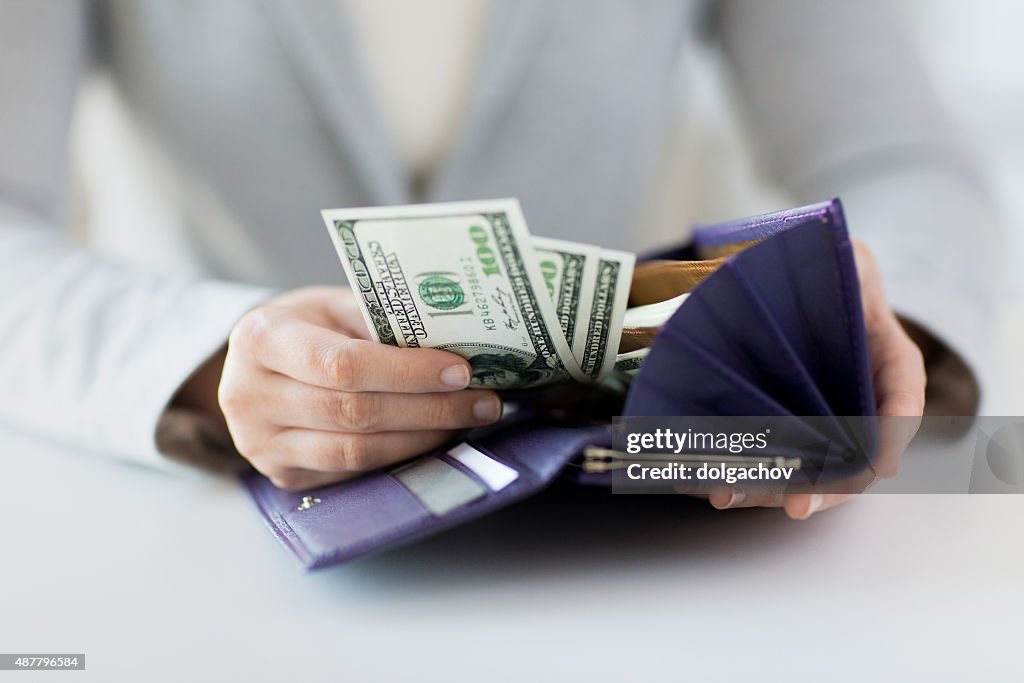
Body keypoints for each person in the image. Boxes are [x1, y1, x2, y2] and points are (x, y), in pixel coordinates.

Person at [0, 1, 997, 519]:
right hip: (197, 524)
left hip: (629, 528)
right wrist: (208, 359)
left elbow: (897, 155)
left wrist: (858, 325)